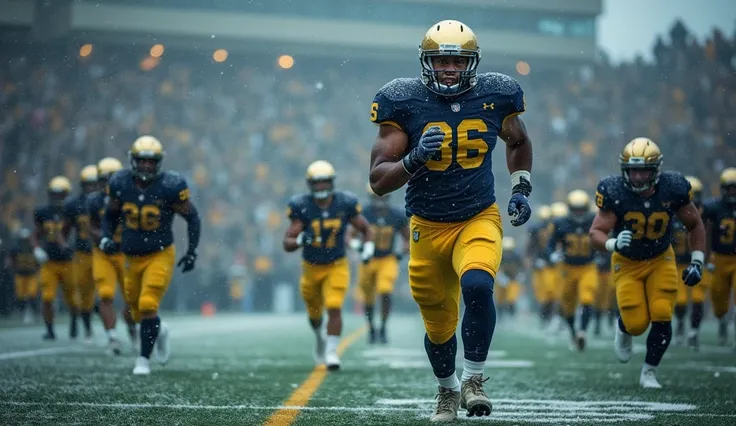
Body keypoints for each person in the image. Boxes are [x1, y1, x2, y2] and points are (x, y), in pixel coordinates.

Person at [368, 19, 533, 421]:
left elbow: (519, 140)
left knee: (478, 283)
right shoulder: (403, 101)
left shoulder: (497, 95)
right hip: (426, 225)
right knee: (438, 324)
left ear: (471, 63)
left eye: (457, 61)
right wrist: (413, 158)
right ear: (427, 62)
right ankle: (448, 389)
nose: (449, 68)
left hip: (478, 215)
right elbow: (377, 181)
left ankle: (474, 379)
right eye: (441, 60)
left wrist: (521, 187)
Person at [590, 137, 706, 389]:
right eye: (633, 170)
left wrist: (697, 261)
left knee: (663, 313)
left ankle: (649, 371)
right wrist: (612, 243)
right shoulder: (615, 191)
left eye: (643, 170)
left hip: (660, 258)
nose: (638, 177)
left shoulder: (673, 188)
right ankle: (623, 328)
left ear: (656, 171)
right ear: (625, 170)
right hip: (627, 261)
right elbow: (596, 233)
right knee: (636, 323)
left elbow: (695, 224)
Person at [100, 136, 201, 375]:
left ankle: (143, 360)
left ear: (159, 162)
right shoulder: (120, 183)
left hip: (160, 253)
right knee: (135, 313)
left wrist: (191, 251)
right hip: (131, 254)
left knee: (148, 304)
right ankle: (160, 329)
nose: (146, 166)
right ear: (133, 161)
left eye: (151, 161)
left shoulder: (171, 185)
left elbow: (192, 217)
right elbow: (110, 214)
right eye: (142, 161)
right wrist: (106, 236)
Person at [283, 160, 375, 371]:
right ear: (310, 185)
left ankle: (332, 352)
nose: (321, 187)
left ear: (331, 182)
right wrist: (299, 240)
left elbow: (366, 229)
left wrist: (368, 249)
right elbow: (287, 242)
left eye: (325, 182)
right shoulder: (303, 206)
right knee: (315, 315)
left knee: (334, 306)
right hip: (311, 266)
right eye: (317, 183)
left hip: (337, 264)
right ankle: (320, 337)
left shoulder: (344, 203)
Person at [88, 157, 137, 355]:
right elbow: (90, 227)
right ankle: (112, 338)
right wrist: (104, 237)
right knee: (105, 295)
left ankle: (133, 332)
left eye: (112, 178)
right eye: (104, 179)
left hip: (125, 253)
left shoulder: (130, 197)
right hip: (103, 253)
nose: (108, 183)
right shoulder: (94, 201)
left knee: (131, 299)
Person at [349, 184, 409, 344]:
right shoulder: (364, 214)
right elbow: (350, 237)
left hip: (387, 259)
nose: (380, 200)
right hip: (368, 259)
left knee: (385, 290)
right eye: (377, 197)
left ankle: (383, 327)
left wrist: (400, 252)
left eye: (382, 196)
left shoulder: (396, 215)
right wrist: (358, 247)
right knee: (368, 299)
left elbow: (407, 240)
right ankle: (371, 328)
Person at [34, 176, 75, 341]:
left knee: (72, 299)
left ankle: (74, 319)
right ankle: (50, 330)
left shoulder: (71, 211)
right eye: (55, 194)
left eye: (61, 194)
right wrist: (36, 248)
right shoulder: (43, 212)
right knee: (47, 297)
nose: (58, 198)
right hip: (49, 261)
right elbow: (36, 234)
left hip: (68, 261)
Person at [702, 168, 736, 347]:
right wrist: (707, 258)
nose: (732, 192)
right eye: (729, 188)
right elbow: (706, 233)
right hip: (720, 258)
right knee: (719, 302)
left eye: (735, 188)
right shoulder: (714, 208)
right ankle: (722, 321)